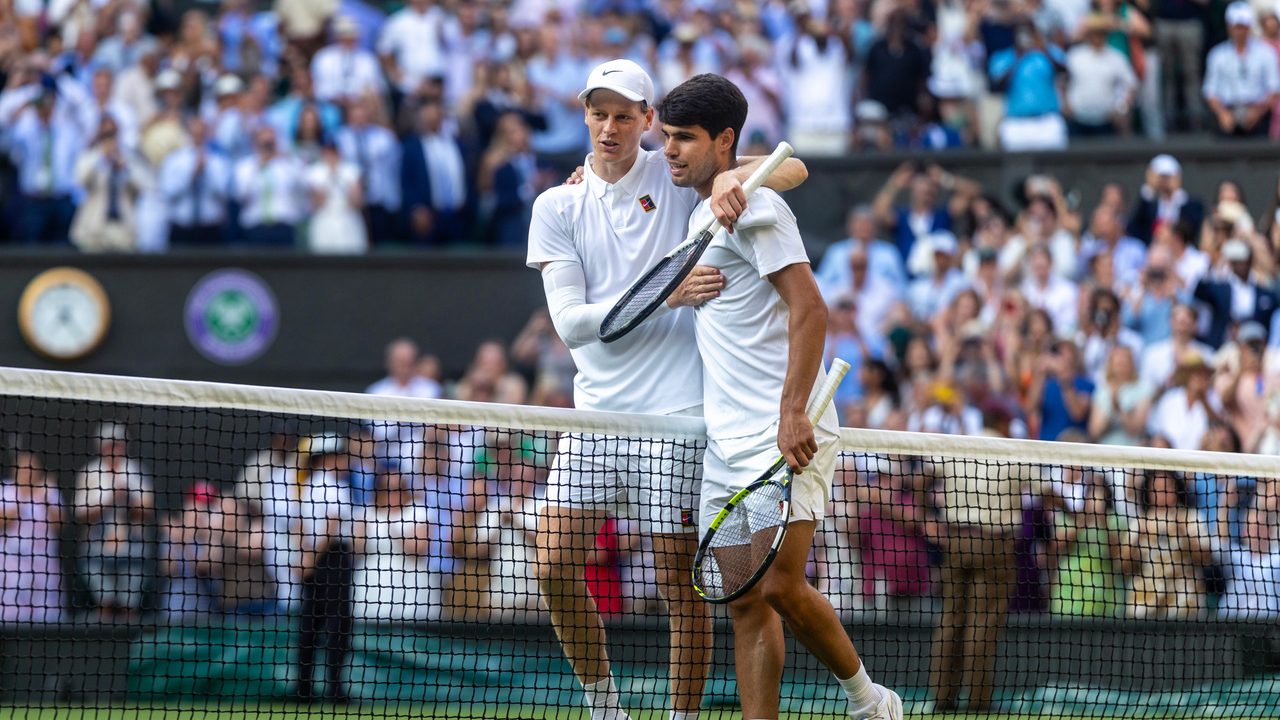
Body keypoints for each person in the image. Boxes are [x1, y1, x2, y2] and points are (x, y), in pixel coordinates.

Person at [525, 60, 810, 720]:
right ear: (584, 114)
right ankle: (606, 709)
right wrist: (666, 292)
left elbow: (791, 169)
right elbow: (573, 325)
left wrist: (735, 179)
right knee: (551, 563)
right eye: (599, 113)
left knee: (681, 589)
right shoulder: (558, 205)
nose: (610, 126)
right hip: (595, 417)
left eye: (625, 114)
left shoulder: (680, 172)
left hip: (679, 418)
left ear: (648, 120)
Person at [655, 73, 901, 720]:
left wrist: (793, 410)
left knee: (783, 586)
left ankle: (870, 702)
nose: (670, 150)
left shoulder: (756, 208)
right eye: (667, 137)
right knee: (744, 604)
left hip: (786, 429)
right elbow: (784, 169)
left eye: (684, 138)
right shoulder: (708, 207)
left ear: (724, 139)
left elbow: (811, 310)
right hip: (726, 441)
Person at [294, 433, 364, 703]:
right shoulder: (334, 486)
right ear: (328, 458)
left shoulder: (309, 485)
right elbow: (332, 525)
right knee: (335, 626)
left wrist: (303, 557)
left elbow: (301, 525)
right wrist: (310, 558)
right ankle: (333, 690)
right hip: (330, 559)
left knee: (310, 626)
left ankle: (305, 689)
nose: (345, 461)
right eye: (341, 455)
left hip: (317, 559)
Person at [0, 447, 64, 623]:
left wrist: (44, 498)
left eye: (31, 468)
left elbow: (59, 524)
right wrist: (25, 496)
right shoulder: (5, 491)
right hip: (10, 570)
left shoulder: (48, 491)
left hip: (43, 568)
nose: (28, 473)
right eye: (24, 469)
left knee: (47, 620)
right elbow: (2, 521)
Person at [1203, 3, 1280, 137]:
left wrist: (1257, 112)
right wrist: (1222, 113)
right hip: (1228, 112)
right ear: (1229, 27)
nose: (1240, 31)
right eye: (1237, 27)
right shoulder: (1217, 54)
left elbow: (1273, 89)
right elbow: (1210, 91)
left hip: (1258, 114)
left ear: (1249, 27)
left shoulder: (1265, 53)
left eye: (1243, 27)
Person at [304, 139, 368, 254]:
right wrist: (329, 178)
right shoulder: (314, 172)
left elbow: (358, 202)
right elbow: (316, 204)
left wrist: (342, 182)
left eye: (334, 153)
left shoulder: (351, 170)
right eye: (327, 153)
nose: (331, 156)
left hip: (348, 219)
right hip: (324, 220)